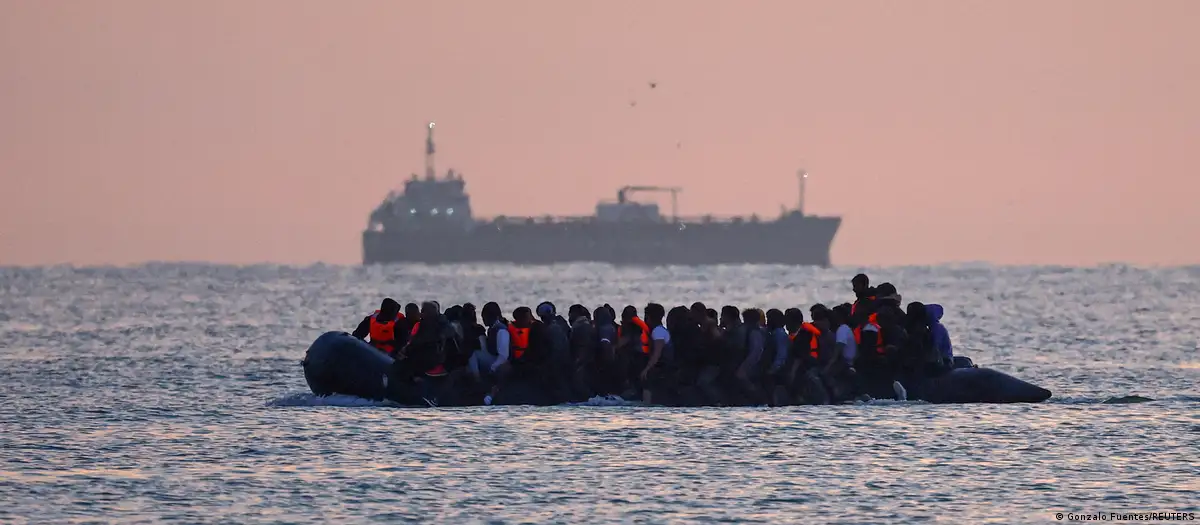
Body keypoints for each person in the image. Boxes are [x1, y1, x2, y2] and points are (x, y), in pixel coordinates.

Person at [638, 303, 670, 404]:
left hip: (663, 367)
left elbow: (657, 353)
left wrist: (647, 369)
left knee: (647, 379)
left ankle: (647, 404)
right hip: (663, 366)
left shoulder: (658, 332)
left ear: (648, 317)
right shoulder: (660, 330)